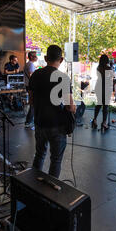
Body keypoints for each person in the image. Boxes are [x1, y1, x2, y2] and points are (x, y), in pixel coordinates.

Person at [28, 45, 76, 179]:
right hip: (57, 125)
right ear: (61, 59)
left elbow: (31, 101)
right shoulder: (63, 78)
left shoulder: (36, 74)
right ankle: (50, 191)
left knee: (39, 154)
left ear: (45, 58)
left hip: (39, 123)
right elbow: (70, 107)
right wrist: (74, 108)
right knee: (55, 160)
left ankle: (32, 185)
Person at [92, 54, 113, 132]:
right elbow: (111, 77)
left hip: (98, 86)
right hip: (106, 88)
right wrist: (111, 66)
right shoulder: (108, 68)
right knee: (105, 105)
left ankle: (94, 120)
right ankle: (104, 123)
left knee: (99, 103)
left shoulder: (98, 67)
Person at [24, 51, 37, 128]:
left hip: (28, 86)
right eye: (35, 56)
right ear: (31, 57)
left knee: (33, 104)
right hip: (31, 86)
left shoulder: (28, 64)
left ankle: (29, 121)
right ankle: (29, 121)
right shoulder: (31, 64)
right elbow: (31, 76)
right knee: (33, 104)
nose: (36, 57)